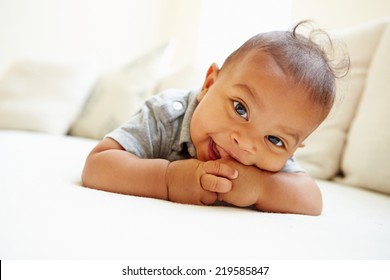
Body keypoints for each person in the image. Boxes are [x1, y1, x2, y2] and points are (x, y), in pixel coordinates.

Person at [82, 21, 349, 216]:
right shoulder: (166, 115)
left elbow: (312, 200)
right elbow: (98, 165)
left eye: (274, 139)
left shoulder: (272, 160)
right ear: (209, 84)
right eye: (240, 109)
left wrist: (262, 188)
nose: (245, 143)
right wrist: (168, 179)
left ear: (292, 148)